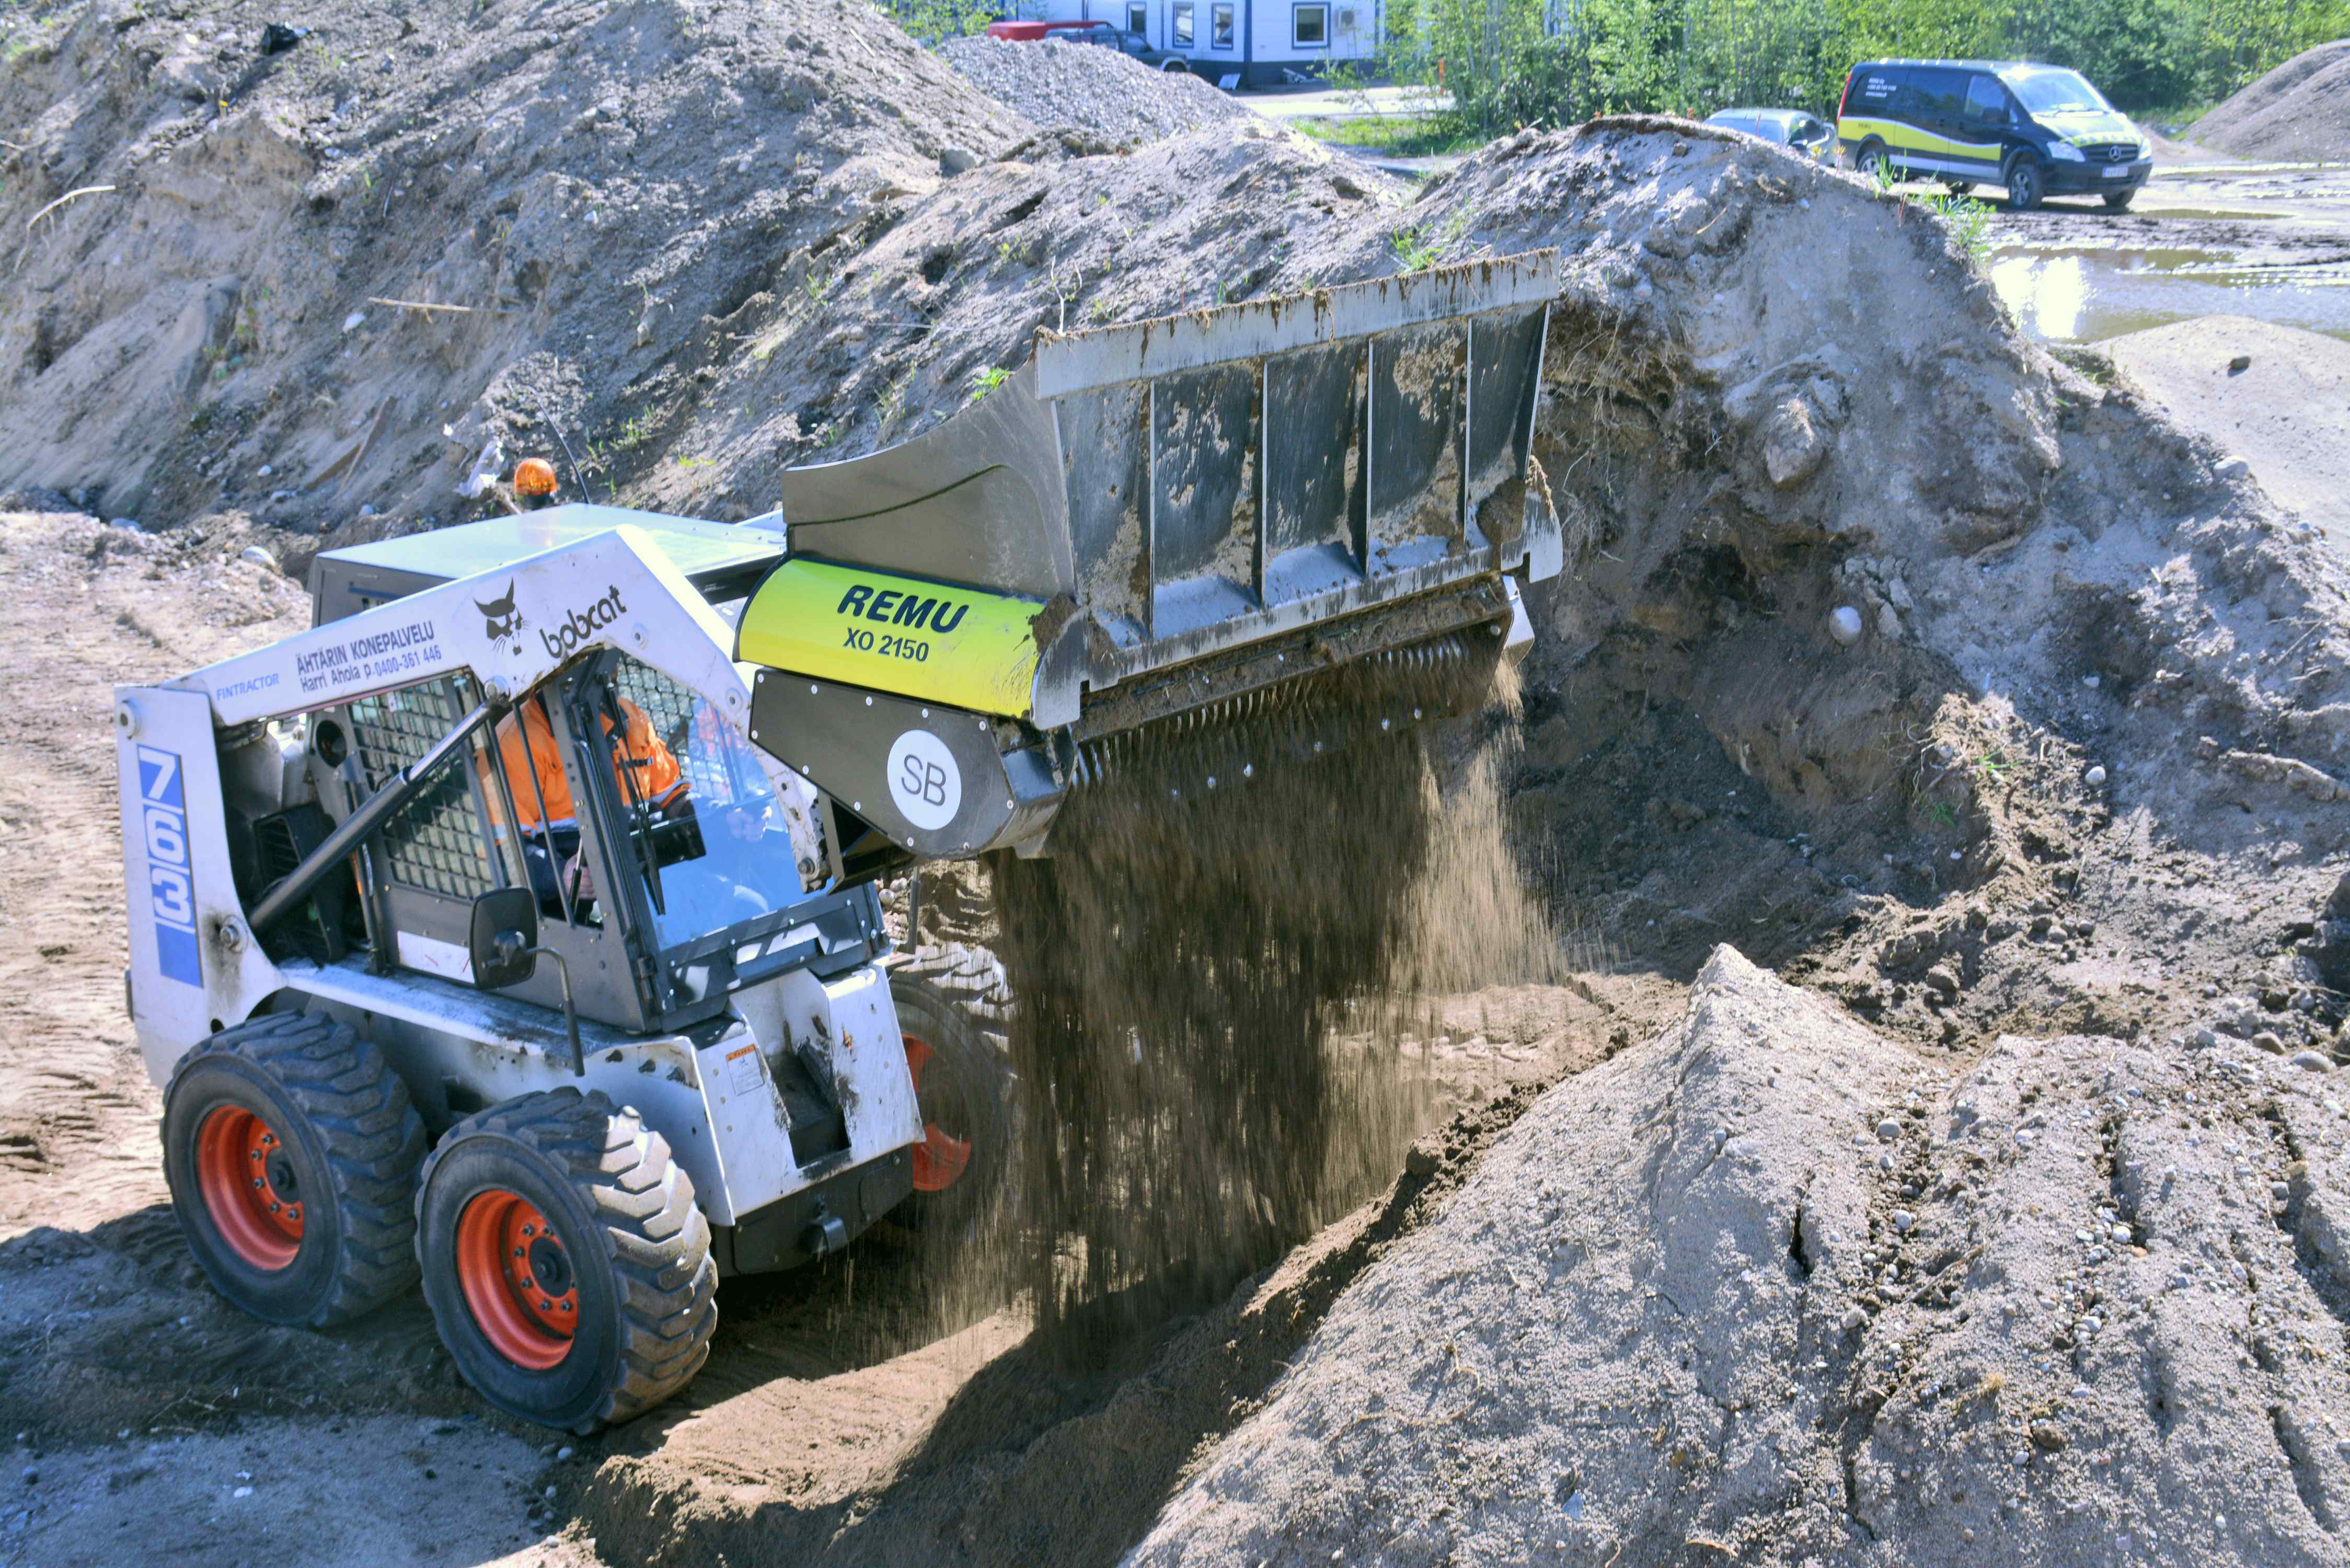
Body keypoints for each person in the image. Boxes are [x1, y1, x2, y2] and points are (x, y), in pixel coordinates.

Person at [482, 693, 685, 913]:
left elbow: (672, 795)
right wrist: (561, 875)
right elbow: (504, 853)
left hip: (646, 874)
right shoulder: (514, 741)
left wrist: (709, 816)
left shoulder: (629, 716)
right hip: (571, 903)